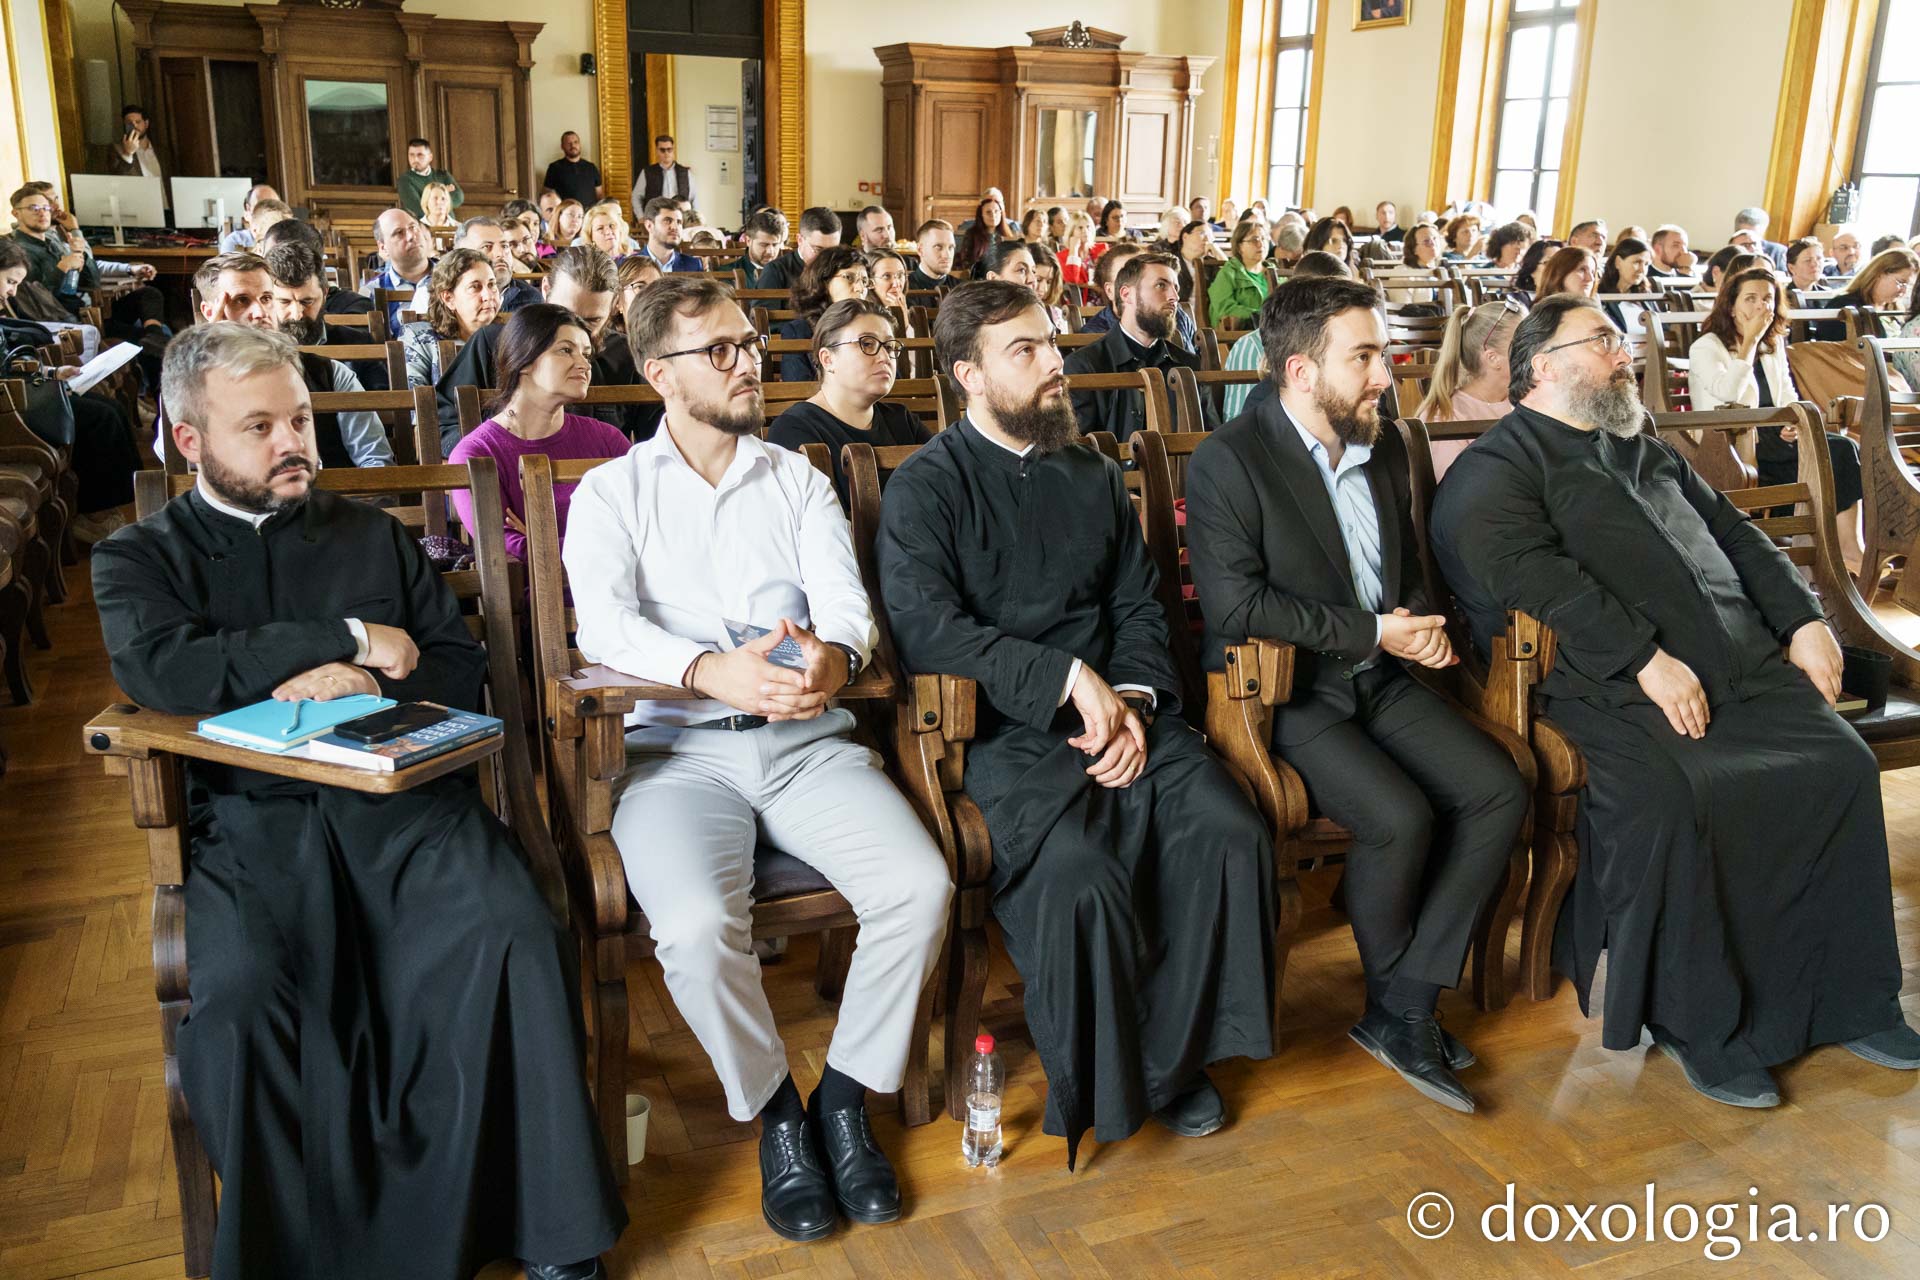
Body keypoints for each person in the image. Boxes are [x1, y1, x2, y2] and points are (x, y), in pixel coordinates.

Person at [93, 321, 626, 1278]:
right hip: (255, 825)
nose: (293, 442)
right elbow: (167, 670)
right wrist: (342, 638)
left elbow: (456, 666)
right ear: (188, 441)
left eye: (298, 419)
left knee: (514, 928)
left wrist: (363, 685)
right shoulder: (138, 558)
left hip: (405, 806)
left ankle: (545, 1233)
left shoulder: (372, 535)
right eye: (258, 427)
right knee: (248, 998)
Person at [1430, 293, 1920, 1109]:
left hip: (1742, 665)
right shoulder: (1497, 471)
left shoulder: (1642, 444)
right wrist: (1643, 659)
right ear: (1542, 367)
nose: (1626, 356)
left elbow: (1734, 536)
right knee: (1684, 795)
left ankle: (1852, 1001)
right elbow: (1540, 585)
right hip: (1614, 685)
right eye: (1604, 342)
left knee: (1839, 764)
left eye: (1621, 342)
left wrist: (1804, 620)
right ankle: (1709, 1029)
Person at [564, 275, 950, 1242]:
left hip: (806, 744)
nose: (750, 366)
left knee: (921, 887)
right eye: (722, 351)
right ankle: (778, 1111)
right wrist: (704, 671)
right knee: (695, 927)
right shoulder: (611, 492)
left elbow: (845, 602)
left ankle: (847, 1098)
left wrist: (836, 653)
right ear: (658, 372)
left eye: (750, 346)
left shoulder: (796, 478)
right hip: (674, 754)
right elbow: (603, 624)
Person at [875, 279, 1278, 1169]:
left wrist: (1130, 701)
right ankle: (1111, 1078)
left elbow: (1140, 605)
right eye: (1026, 351)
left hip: (1128, 713)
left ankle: (1169, 1064)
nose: (1056, 364)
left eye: (1051, 343)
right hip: (1004, 732)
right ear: (967, 376)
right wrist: (1068, 679)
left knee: (1226, 828)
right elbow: (929, 630)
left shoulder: (1093, 472)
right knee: (1078, 875)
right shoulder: (926, 487)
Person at [1185, 276, 1528, 1114]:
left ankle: (1402, 1003)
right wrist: (1378, 632)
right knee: (1399, 816)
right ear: (1301, 371)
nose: (1387, 373)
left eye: (1383, 353)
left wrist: (1421, 625)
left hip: (1383, 674)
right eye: (1365, 356)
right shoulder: (1230, 460)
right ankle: (1403, 1011)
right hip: (1284, 692)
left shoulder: (1382, 445)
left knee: (1498, 789)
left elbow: (1404, 570)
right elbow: (1239, 606)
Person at [1689, 266, 1863, 560]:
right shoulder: (1706, 346)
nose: (1760, 306)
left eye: (1767, 299)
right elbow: (1728, 395)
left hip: (1773, 436)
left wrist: (1790, 424)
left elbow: (1787, 396)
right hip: (1730, 438)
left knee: (1844, 449)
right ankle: (1837, 548)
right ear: (1731, 306)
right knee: (1836, 454)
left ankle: (1846, 547)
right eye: (1751, 298)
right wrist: (1749, 343)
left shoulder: (1773, 345)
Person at [447, 304, 629, 561]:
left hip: (626, 587)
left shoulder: (608, 440)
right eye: (566, 351)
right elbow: (507, 547)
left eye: (586, 354)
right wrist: (609, 541)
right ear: (524, 361)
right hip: (542, 595)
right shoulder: (476, 453)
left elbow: (648, 527)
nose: (584, 365)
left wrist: (542, 540)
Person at [437, 246, 656, 451]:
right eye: (563, 314)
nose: (575, 331)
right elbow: (441, 422)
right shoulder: (494, 342)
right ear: (546, 289)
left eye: (591, 322)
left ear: (614, 305)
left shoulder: (628, 356)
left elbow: (654, 442)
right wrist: (491, 454)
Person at [0, 239, 142, 542]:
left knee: (109, 407)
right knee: (98, 418)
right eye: (10, 282)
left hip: (17, 391)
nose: (12, 291)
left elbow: (7, 362)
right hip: (7, 406)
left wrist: (51, 372)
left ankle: (121, 504)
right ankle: (95, 515)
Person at [200, 250, 392, 471]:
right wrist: (207, 368)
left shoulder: (331, 373)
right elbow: (173, 454)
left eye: (266, 298)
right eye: (241, 301)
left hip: (330, 500)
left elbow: (376, 462)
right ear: (210, 312)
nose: (260, 312)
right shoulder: (196, 378)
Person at [767, 297, 930, 502]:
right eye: (867, 344)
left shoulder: (903, 420)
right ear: (828, 359)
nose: (884, 357)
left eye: (889, 347)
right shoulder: (794, 429)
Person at [7, 183, 168, 365]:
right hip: (68, 321)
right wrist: (61, 269)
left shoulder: (55, 241)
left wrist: (78, 246)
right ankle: (156, 349)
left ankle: (155, 338)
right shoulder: (17, 250)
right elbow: (38, 300)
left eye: (45, 207)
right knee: (155, 345)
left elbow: (92, 281)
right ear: (16, 213)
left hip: (88, 311)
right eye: (33, 208)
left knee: (150, 295)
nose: (42, 212)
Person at [1062, 252, 1218, 437]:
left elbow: (1209, 436)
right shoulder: (1084, 366)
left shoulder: (1189, 364)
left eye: (1175, 288)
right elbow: (1078, 449)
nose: (1174, 297)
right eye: (1161, 286)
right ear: (1126, 294)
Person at [400, 247, 499, 389]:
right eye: (475, 287)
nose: (488, 295)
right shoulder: (419, 338)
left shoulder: (510, 334)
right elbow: (414, 403)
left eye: (491, 285)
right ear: (449, 298)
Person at [778, 246, 870, 381]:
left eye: (865, 281)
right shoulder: (798, 331)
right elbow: (798, 387)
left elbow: (894, 384)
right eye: (849, 277)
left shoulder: (873, 327)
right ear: (824, 282)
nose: (860, 288)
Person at [1807, 246, 1917, 340]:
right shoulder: (1844, 305)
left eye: (1909, 285)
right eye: (1901, 283)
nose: (1904, 291)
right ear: (1879, 274)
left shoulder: (1894, 308)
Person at [365, 207, 436, 332]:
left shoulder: (457, 274)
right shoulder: (371, 290)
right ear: (383, 247)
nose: (411, 236)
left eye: (413, 227)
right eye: (399, 232)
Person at [757, 207, 842, 293]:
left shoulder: (843, 270)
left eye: (832, 250)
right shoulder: (775, 271)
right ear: (800, 240)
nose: (826, 258)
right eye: (818, 249)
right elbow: (763, 307)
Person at [1207, 217, 1271, 326]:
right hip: (1240, 332)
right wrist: (1260, 316)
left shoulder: (1273, 271)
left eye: (1263, 239)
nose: (1261, 244)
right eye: (1254, 240)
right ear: (1239, 247)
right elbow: (1224, 307)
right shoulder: (1229, 273)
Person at [105, 104, 166, 201]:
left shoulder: (161, 151)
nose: (134, 126)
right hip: (139, 209)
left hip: (166, 207)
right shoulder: (116, 149)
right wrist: (128, 154)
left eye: (138, 122)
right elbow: (115, 183)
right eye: (129, 123)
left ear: (146, 124)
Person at [397, 138, 463, 221]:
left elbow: (459, 197)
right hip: (425, 227)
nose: (415, 159)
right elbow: (417, 207)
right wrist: (443, 192)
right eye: (411, 155)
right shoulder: (405, 180)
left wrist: (428, 199)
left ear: (430, 157)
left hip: (449, 224)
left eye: (420, 155)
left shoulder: (443, 175)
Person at [632, 133, 696, 211]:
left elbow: (693, 198)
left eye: (669, 149)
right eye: (662, 150)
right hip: (656, 218)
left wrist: (693, 219)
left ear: (673, 150)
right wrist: (641, 217)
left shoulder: (685, 172)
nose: (666, 153)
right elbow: (636, 197)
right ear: (657, 151)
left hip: (681, 218)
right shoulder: (647, 172)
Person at [639, 197, 702, 273]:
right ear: (649, 226)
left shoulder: (693, 265)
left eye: (679, 222)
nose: (675, 227)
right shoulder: (628, 265)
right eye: (668, 221)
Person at [542, 131, 604, 207]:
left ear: (579, 144)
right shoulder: (554, 168)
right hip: (565, 215)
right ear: (562, 146)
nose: (573, 145)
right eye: (568, 143)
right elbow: (547, 195)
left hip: (589, 215)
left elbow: (600, 194)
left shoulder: (591, 167)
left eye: (575, 142)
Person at [958, 196, 1014, 275]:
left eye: (996, 211)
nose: (993, 215)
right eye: (988, 212)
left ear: (1001, 213)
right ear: (981, 215)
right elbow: (966, 262)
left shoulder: (1008, 235)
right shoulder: (972, 234)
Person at [218, 190, 287, 253]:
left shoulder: (288, 238)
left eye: (275, 206)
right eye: (261, 206)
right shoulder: (235, 241)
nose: (269, 214)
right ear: (247, 210)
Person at [737, 209, 790, 287]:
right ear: (748, 241)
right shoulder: (727, 274)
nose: (770, 252)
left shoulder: (790, 271)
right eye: (764, 245)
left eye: (775, 245)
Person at [1056, 211, 1104, 288]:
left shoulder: (1102, 249)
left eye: (1088, 227)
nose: (1085, 231)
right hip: (1079, 299)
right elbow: (1072, 281)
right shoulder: (1061, 257)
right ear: (1071, 232)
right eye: (1080, 228)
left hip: (1103, 296)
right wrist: (1073, 251)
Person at [1732, 206, 1788, 271]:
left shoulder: (1778, 252)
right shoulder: (1728, 253)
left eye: (1755, 235)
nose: (1749, 238)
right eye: (1744, 233)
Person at [908, 219, 956, 291]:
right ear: (920, 250)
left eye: (951, 247)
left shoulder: (962, 288)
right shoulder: (904, 288)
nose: (947, 255)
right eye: (938, 247)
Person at [1784, 236, 1826, 303]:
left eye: (1819, 258)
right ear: (1791, 268)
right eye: (1808, 260)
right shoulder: (1782, 297)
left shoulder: (1826, 295)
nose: (1815, 264)